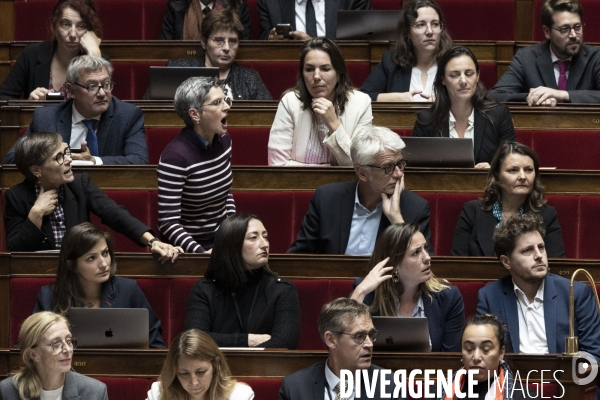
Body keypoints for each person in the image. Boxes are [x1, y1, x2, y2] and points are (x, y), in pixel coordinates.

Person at [4, 132, 181, 261]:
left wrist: (153, 241)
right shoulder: (17, 196)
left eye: (66, 152)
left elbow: (115, 215)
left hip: (81, 273)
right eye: (59, 157)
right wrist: (36, 214)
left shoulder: (80, 185)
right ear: (36, 170)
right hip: (41, 275)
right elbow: (16, 249)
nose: (68, 160)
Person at [288, 126, 433, 255]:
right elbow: (298, 259)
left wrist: (398, 222)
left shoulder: (415, 208)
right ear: (362, 172)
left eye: (400, 164)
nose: (398, 174)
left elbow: (425, 271)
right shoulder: (326, 199)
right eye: (387, 167)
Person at [477, 213, 600, 361]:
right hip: (513, 381)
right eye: (528, 250)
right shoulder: (490, 296)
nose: (539, 255)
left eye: (541, 247)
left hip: (562, 381)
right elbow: (483, 355)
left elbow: (594, 355)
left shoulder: (576, 293)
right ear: (506, 262)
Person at [33, 223, 168, 348]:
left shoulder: (128, 289)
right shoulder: (50, 295)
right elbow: (29, 345)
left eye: (105, 253)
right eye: (91, 258)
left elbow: (155, 344)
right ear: (72, 265)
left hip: (122, 370)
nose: (103, 264)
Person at [2, 55, 149, 165]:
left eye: (106, 84)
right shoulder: (45, 118)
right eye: (92, 86)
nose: (102, 93)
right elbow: (11, 159)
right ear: (71, 91)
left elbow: (139, 161)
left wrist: (94, 161)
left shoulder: (128, 116)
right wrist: (52, 161)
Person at [184, 214, 301, 348]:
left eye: (265, 236)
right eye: (253, 238)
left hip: (265, 367)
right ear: (231, 245)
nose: (264, 244)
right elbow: (194, 340)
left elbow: (285, 343)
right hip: (213, 367)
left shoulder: (282, 289)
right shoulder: (205, 289)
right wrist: (247, 340)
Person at [351, 223, 463, 352]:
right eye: (416, 253)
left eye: (425, 248)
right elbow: (346, 346)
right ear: (394, 264)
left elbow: (450, 360)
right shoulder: (368, 293)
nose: (427, 257)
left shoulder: (447, 297)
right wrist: (360, 291)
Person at [158, 77, 236, 253]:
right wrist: (200, 253)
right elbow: (168, 223)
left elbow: (226, 195)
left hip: (220, 241)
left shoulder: (225, 141)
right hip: (187, 248)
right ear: (195, 114)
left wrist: (230, 233)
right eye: (217, 103)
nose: (227, 107)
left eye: (225, 100)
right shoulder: (175, 157)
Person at [268, 38, 372, 166]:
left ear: (339, 74)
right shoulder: (290, 102)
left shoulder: (361, 103)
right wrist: (323, 169)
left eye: (325, 69)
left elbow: (360, 166)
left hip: (345, 186)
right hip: (297, 185)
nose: (316, 76)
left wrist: (334, 124)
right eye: (309, 69)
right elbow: (277, 165)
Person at [452, 142, 565, 257]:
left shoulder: (547, 215)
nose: (522, 176)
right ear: (497, 177)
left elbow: (556, 265)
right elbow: (457, 264)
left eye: (528, 170)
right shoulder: (472, 211)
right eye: (513, 170)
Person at [412, 46, 515, 168]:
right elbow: (415, 169)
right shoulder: (426, 119)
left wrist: (493, 170)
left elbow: (512, 163)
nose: (463, 80)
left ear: (477, 76)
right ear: (443, 79)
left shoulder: (498, 115)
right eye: (455, 75)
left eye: (469, 73)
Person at [279, 298, 396, 400]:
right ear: (331, 340)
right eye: (359, 336)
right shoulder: (295, 388)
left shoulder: (389, 385)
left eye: (370, 335)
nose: (369, 344)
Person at [488, 0, 600, 106]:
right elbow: (495, 96)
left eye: (577, 27)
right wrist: (535, 97)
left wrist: (562, 94)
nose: (574, 35)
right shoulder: (526, 57)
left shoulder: (595, 57)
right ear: (547, 32)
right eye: (564, 29)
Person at [146, 9, 271, 101]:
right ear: (204, 42)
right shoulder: (176, 69)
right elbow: (150, 113)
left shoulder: (250, 79)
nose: (227, 48)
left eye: (233, 41)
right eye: (219, 40)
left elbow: (266, 119)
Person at [0, 0, 103, 100]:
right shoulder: (32, 54)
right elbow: (3, 97)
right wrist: (29, 103)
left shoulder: (97, 56)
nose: (72, 34)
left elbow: (105, 108)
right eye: (65, 24)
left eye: (81, 26)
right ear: (54, 27)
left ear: (89, 32)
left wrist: (95, 58)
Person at [360, 0, 452, 102]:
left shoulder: (453, 62)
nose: (430, 31)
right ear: (407, 32)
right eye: (421, 25)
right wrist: (398, 98)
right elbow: (362, 97)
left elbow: (468, 99)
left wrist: (444, 103)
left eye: (435, 24)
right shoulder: (391, 62)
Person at [0, 312, 107, 399]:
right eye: (56, 343)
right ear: (33, 354)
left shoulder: (95, 392)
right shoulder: (7, 392)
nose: (67, 349)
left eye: (68, 340)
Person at [439, 314, 531, 400]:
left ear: (501, 353)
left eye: (486, 349)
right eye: (469, 349)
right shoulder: (440, 392)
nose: (476, 357)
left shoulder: (523, 396)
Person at [146, 329, 254, 400]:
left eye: (201, 372)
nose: (194, 382)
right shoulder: (158, 394)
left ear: (215, 365)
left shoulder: (240, 395)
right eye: (184, 373)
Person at [259, 0, 371, 40]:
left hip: (338, 73)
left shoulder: (352, 1)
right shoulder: (269, 3)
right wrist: (271, 43)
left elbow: (362, 48)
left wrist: (312, 45)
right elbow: (260, 51)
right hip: (290, 71)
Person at [160, 0, 251, 40]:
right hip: (186, 66)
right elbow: (165, 49)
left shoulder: (238, 4)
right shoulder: (176, 5)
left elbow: (246, 49)